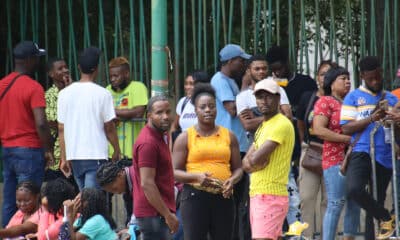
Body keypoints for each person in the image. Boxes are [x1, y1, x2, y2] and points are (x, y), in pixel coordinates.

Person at [172, 83, 243, 240]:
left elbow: (239, 168)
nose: (208, 110)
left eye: (211, 106)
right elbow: (174, 172)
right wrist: (196, 177)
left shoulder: (229, 136)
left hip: (223, 196)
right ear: (195, 110)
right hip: (194, 196)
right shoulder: (185, 137)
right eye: (202, 107)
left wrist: (232, 180)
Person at [340, 56, 398, 239]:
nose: (375, 81)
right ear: (362, 75)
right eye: (371, 78)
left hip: (385, 154)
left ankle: (378, 227)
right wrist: (372, 118)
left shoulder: (391, 97)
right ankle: (386, 217)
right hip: (361, 151)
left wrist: (396, 121)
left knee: (377, 199)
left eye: (378, 77)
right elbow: (346, 128)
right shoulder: (353, 97)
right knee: (354, 189)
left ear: (381, 73)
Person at [0, 41, 54, 227]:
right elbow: (40, 122)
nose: (38, 63)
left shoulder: (2, 84)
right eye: (37, 58)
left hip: (7, 149)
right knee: (30, 202)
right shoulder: (34, 87)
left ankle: (7, 235)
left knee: (10, 199)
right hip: (29, 151)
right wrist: (48, 149)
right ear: (29, 60)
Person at [57, 46, 121, 190]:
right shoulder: (103, 94)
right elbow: (109, 127)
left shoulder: (64, 94)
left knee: (85, 200)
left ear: (79, 67)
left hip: (74, 156)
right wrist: (116, 149)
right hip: (95, 155)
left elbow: (61, 129)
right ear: (96, 68)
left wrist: (64, 157)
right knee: (92, 202)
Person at [242, 79, 295, 240]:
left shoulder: (281, 124)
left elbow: (254, 160)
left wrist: (252, 162)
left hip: (270, 195)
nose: (263, 101)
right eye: (259, 97)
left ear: (278, 99)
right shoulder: (264, 126)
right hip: (260, 194)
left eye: (268, 97)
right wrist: (252, 163)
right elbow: (246, 163)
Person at [313, 66, 360, 240]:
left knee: (354, 202)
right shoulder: (325, 101)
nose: (347, 81)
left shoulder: (352, 101)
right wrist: (347, 139)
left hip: (355, 158)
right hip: (335, 158)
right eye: (342, 78)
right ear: (331, 84)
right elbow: (318, 130)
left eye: (348, 78)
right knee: (335, 203)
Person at [210, 43, 250, 240]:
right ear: (230, 61)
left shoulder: (229, 81)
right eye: (241, 60)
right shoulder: (219, 80)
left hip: (239, 145)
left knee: (236, 200)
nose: (243, 64)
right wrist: (244, 85)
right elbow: (233, 109)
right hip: (228, 146)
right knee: (229, 199)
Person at [296, 60, 335, 238]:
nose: (324, 77)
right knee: (306, 198)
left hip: (333, 153)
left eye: (329, 74)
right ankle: (307, 236)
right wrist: (305, 142)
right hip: (311, 151)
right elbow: (301, 122)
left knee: (329, 200)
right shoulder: (308, 97)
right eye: (321, 74)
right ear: (317, 77)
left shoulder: (339, 101)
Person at [132, 95, 179, 239]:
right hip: (153, 214)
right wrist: (167, 215)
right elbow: (147, 183)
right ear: (149, 115)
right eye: (159, 112)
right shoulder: (148, 143)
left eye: (168, 111)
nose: (165, 116)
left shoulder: (160, 135)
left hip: (157, 213)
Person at [106, 57, 148, 162]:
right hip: (111, 153)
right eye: (110, 76)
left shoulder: (138, 87)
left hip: (133, 153)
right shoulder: (107, 90)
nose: (112, 79)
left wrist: (112, 112)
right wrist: (126, 113)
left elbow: (138, 113)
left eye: (116, 76)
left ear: (126, 74)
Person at [45, 57, 73, 181]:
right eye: (60, 69)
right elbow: (52, 122)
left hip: (76, 153)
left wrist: (70, 90)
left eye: (66, 67)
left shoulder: (74, 91)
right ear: (51, 74)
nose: (65, 70)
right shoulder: (50, 95)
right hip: (58, 154)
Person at [171, 70, 209, 135]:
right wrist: (172, 144)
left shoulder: (210, 104)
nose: (187, 87)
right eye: (186, 83)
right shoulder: (183, 102)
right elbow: (174, 126)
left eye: (192, 84)